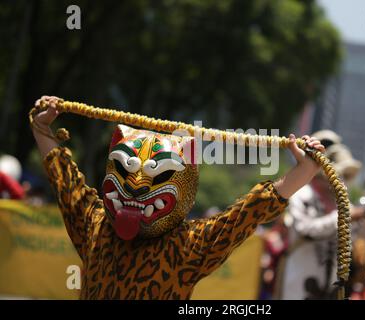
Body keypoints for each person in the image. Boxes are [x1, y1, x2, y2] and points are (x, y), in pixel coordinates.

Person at [31, 95, 326, 300]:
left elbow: (248, 213)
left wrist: (305, 172)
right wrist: (41, 126)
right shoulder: (95, 226)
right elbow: (65, 181)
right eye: (125, 170)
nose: (136, 185)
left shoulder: (187, 246)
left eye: (158, 175)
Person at [277, 130, 365, 300]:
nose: (342, 179)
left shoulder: (344, 204)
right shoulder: (302, 195)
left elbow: (356, 239)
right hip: (299, 289)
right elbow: (304, 230)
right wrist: (343, 217)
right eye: (340, 173)